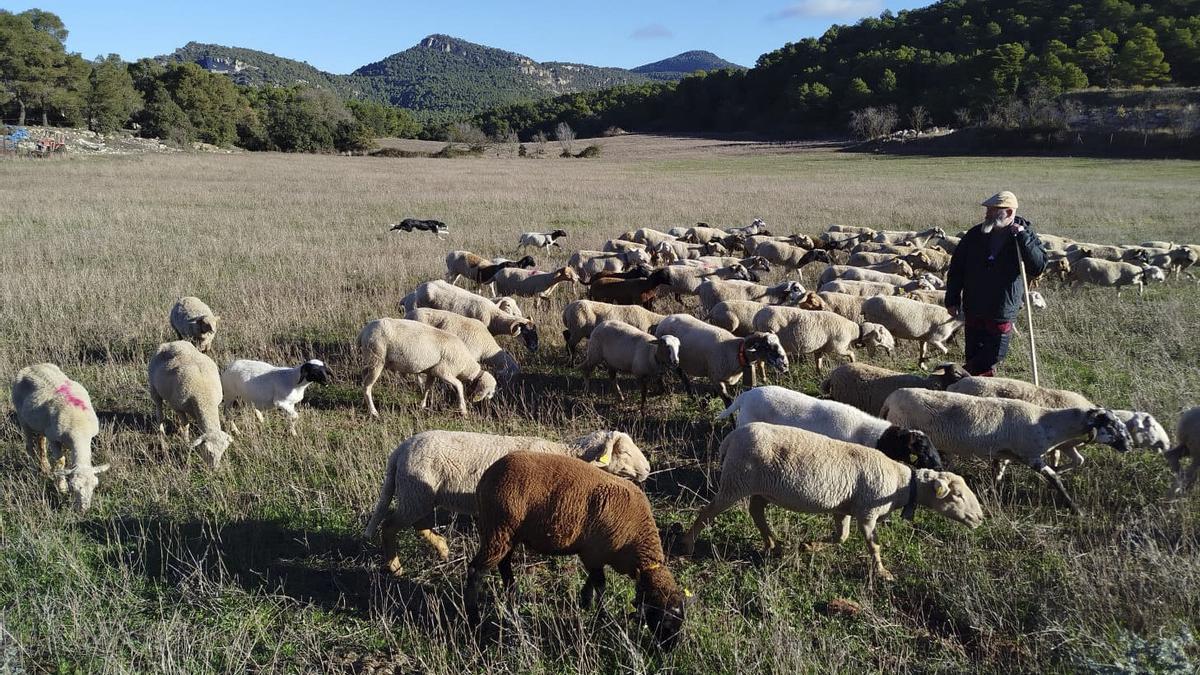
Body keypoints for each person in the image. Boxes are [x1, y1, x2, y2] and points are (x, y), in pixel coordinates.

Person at [944, 191, 1047, 377]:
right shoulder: (975, 234)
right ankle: (976, 388)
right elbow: (957, 267)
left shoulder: (1023, 237)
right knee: (973, 351)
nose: (987, 214)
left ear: (1008, 213)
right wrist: (952, 299)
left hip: (1001, 308)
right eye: (988, 210)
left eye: (992, 211)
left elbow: (1038, 266)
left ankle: (961, 376)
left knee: (994, 353)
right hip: (974, 304)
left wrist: (1023, 238)